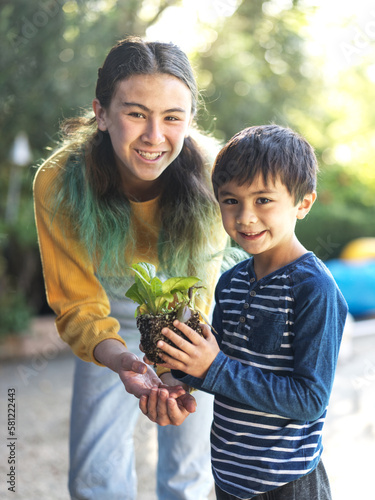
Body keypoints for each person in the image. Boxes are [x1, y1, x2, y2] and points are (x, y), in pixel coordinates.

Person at [33, 36, 227, 500]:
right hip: (107, 320)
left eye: (172, 117)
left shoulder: (216, 172)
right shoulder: (59, 181)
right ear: (101, 113)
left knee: (188, 471)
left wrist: (182, 366)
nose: (154, 137)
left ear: (190, 121)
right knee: (94, 478)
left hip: (192, 326)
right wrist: (123, 360)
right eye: (136, 113)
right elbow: (77, 300)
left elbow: (202, 286)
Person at [151, 125, 348, 499]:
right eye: (230, 201)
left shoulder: (314, 289)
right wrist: (175, 373)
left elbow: (309, 400)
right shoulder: (230, 281)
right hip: (229, 478)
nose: (244, 217)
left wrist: (214, 367)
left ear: (302, 203)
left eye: (262, 201)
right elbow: (215, 367)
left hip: (286, 483)